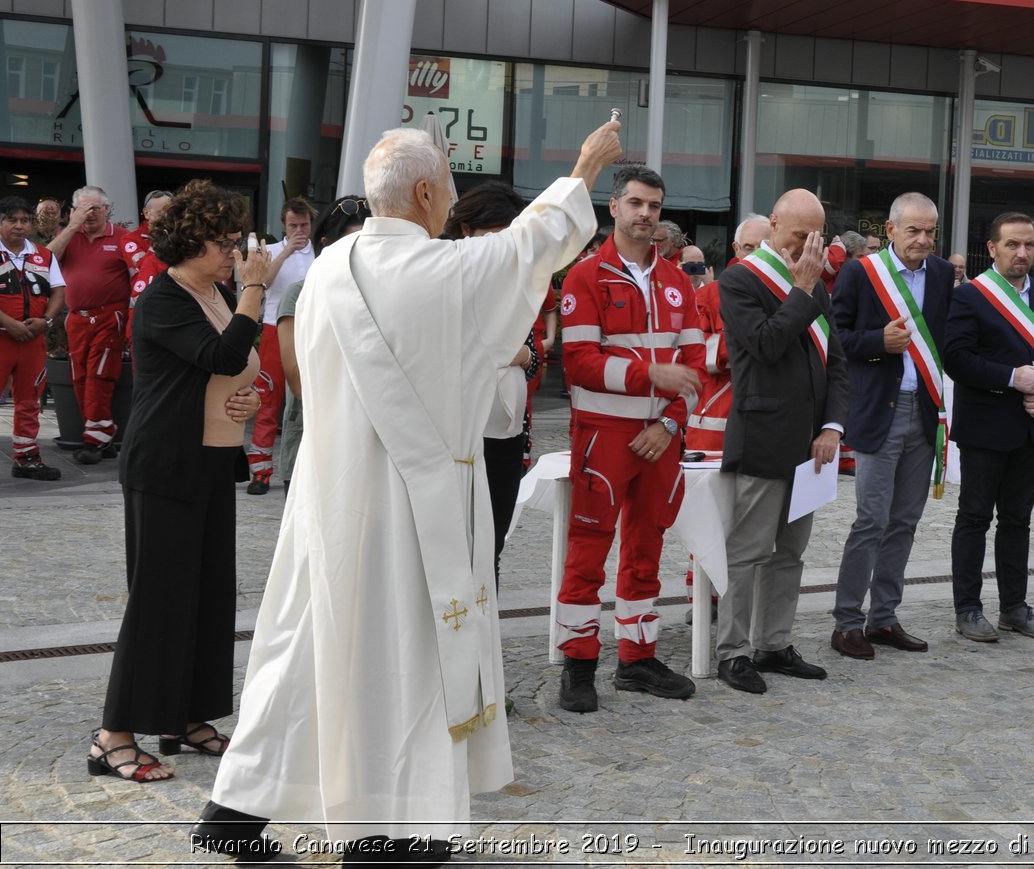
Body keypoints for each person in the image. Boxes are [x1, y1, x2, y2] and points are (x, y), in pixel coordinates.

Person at [195, 121, 620, 864]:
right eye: (449, 188)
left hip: (328, 498)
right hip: (411, 507)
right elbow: (527, 248)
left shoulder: (326, 268)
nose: (451, 202)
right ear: (424, 192)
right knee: (404, 660)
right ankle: (394, 827)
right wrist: (584, 167)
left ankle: (237, 806)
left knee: (303, 649)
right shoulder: (442, 273)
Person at [90, 179, 269, 785]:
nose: (233, 252)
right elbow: (219, 355)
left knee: (208, 596)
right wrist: (254, 290)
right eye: (222, 242)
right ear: (189, 243)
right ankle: (112, 735)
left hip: (212, 459)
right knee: (158, 601)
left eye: (233, 241)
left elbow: (227, 368)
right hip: (164, 464)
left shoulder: (216, 291)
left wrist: (239, 400)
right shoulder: (163, 298)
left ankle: (185, 718)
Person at [554, 164, 704, 713]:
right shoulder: (584, 277)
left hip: (660, 437)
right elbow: (580, 365)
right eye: (636, 204)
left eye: (655, 206)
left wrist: (668, 423)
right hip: (604, 436)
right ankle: (578, 664)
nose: (646, 215)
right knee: (588, 551)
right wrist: (650, 377)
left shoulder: (676, 281)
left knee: (647, 549)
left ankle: (638, 661)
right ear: (613, 207)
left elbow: (695, 367)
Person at [716, 189, 848, 694]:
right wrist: (802, 289)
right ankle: (733, 651)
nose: (808, 246)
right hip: (765, 435)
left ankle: (774, 642)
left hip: (812, 444)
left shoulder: (814, 284)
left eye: (816, 236)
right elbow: (767, 344)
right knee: (748, 552)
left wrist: (834, 426)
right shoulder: (740, 279)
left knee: (790, 553)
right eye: (799, 235)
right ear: (773, 224)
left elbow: (836, 363)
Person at [828, 193, 952, 659]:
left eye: (930, 232)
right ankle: (846, 622)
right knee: (871, 521)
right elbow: (835, 338)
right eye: (914, 231)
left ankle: (884, 617)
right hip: (879, 409)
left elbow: (944, 339)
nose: (923, 240)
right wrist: (878, 342)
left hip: (924, 409)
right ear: (892, 229)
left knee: (904, 521)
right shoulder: (861, 273)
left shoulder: (940, 274)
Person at [943, 212, 1034, 643]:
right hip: (985, 427)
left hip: (1031, 426)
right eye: (1014, 245)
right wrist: (1010, 377)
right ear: (993, 248)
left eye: (1030, 245)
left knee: (1018, 521)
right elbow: (957, 359)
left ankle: (1014, 607)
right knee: (975, 517)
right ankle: (968, 608)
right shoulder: (971, 297)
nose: (1023, 253)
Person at [442, 183, 547, 591]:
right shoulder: (445, 273)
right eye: (496, 232)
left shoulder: (517, 278)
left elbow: (534, 354)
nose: (505, 244)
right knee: (456, 546)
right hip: (458, 433)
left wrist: (516, 353)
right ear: (467, 228)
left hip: (507, 434)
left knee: (492, 545)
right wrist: (505, 350)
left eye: (512, 233)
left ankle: (486, 641)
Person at [46, 186, 147, 463]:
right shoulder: (68, 236)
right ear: (74, 211)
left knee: (99, 376)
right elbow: (43, 260)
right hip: (77, 318)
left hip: (109, 316)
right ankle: (104, 434)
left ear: (107, 210)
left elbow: (139, 276)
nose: (90, 214)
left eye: (95, 209)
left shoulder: (123, 238)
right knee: (79, 377)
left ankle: (94, 441)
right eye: (83, 209)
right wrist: (71, 226)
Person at [275, 196, 369, 492]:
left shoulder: (382, 291)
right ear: (327, 244)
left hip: (365, 443)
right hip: (312, 437)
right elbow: (299, 383)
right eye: (352, 243)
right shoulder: (300, 294)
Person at [246, 198, 316, 495]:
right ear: (283, 225)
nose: (299, 230)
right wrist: (287, 250)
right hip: (277, 327)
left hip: (312, 329)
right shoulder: (271, 251)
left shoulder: (324, 252)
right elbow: (260, 283)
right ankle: (261, 470)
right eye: (293, 225)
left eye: (304, 225)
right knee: (268, 398)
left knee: (307, 403)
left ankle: (304, 467)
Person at [685, 215, 769, 457]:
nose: (755, 255)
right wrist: (758, 344)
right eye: (748, 247)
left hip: (770, 426)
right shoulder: (708, 296)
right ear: (736, 249)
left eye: (763, 248)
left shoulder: (791, 293)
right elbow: (696, 355)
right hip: (714, 427)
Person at [0, 196, 66, 480]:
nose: (19, 225)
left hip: (33, 341)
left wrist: (47, 321)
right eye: (11, 220)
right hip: (2, 338)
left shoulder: (44, 254)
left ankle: (26, 459)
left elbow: (58, 291)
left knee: (29, 400)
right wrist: (9, 324)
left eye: (25, 220)